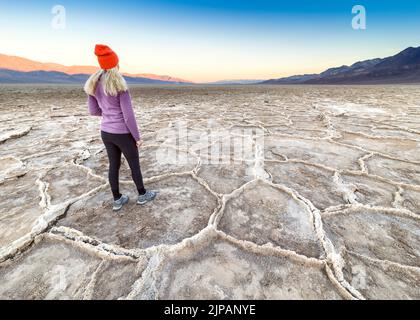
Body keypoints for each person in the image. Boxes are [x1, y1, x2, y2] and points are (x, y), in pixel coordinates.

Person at [84, 44, 156, 211]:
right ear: (115, 64)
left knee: (113, 165)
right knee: (134, 164)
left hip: (106, 132)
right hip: (122, 133)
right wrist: (137, 137)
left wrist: (108, 112)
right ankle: (142, 195)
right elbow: (128, 116)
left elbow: (93, 111)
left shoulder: (93, 84)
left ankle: (117, 199)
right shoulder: (119, 85)